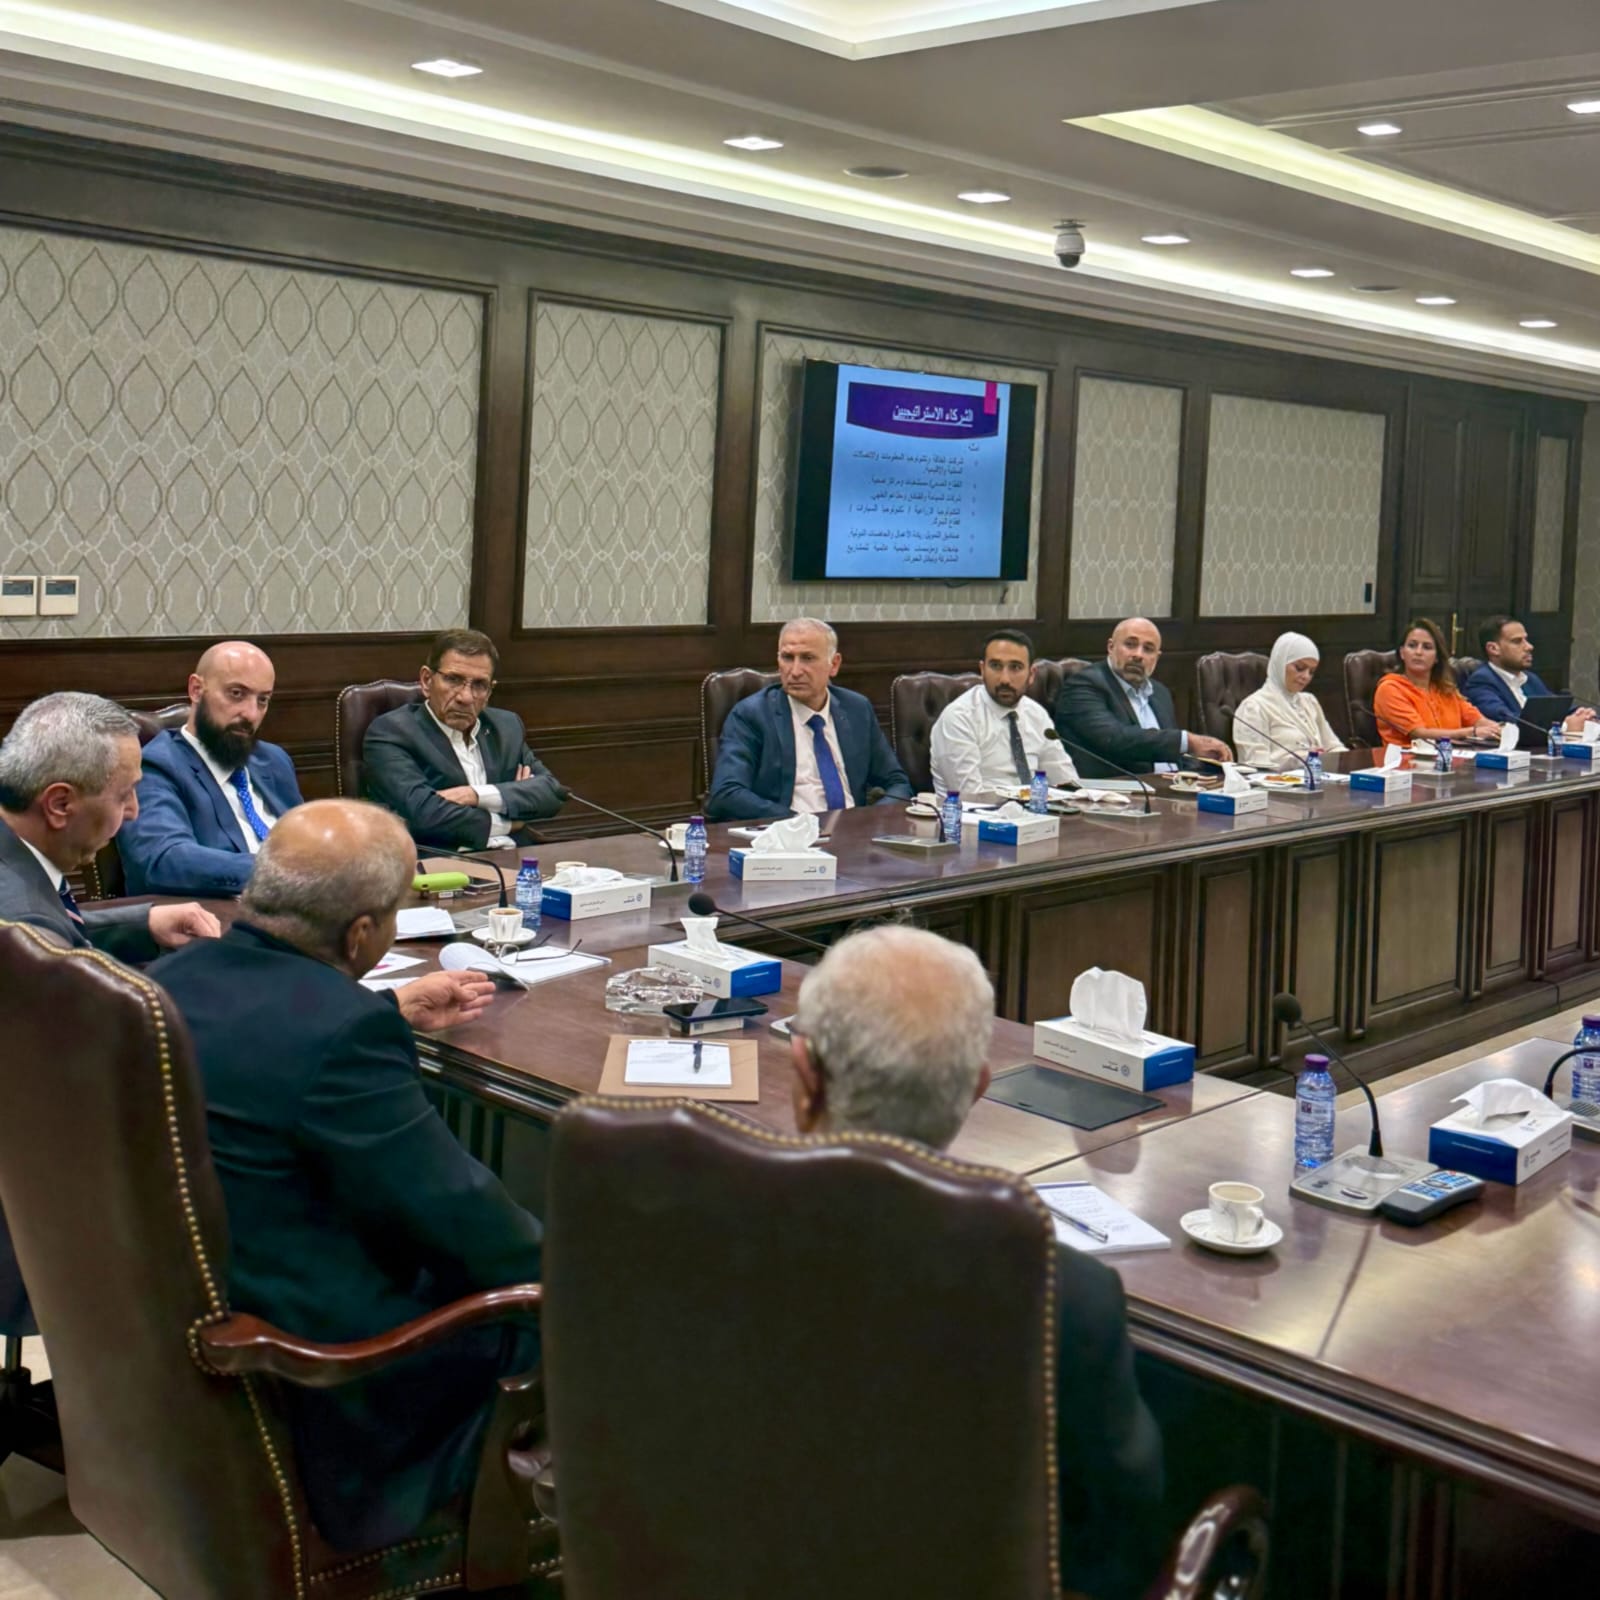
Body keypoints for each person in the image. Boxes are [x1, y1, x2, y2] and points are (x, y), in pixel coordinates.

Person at [149, 800, 537, 1551]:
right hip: (330, 1376)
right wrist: (589, 1279)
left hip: (202, 1314)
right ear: (361, 934)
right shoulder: (345, 1035)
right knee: (565, 1313)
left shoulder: (170, 978)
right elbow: (465, 1220)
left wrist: (382, 1006)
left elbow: (269, 1033)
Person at [790, 925, 1163, 1600]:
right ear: (976, 1090)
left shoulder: (697, 1237)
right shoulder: (1063, 1293)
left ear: (804, 1075)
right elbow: (1123, 1523)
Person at [0, 691, 219, 1343]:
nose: (134, 813)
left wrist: (142, 920)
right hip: (36, 1227)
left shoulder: (15, 871)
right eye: (125, 795)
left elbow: (50, 925)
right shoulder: (27, 928)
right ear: (59, 803)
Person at [117, 641, 304, 895]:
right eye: (236, 694)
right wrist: (281, 872)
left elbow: (306, 840)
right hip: (221, 911)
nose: (251, 714)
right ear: (196, 690)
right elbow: (164, 859)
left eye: (262, 700)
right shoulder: (156, 766)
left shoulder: (272, 760)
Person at [364, 629, 568, 852]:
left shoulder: (506, 727)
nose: (466, 697)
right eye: (454, 680)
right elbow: (424, 814)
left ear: (489, 691)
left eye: (479, 685)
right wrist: (511, 820)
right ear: (427, 681)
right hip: (445, 863)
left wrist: (474, 795)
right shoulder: (392, 732)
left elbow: (551, 793)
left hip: (516, 855)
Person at [705, 617, 912, 822]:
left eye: (807, 658)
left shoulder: (856, 709)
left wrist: (868, 820)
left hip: (853, 831)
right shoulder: (752, 714)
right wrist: (799, 823)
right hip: (788, 831)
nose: (795, 671)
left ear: (834, 664)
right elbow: (726, 793)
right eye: (787, 658)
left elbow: (897, 783)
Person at [1054, 617, 1232, 779]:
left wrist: (1206, 768)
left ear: (1157, 657)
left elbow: (1171, 754)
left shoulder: (1160, 692)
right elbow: (1115, 739)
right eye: (1130, 645)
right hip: (1116, 793)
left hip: (1168, 787)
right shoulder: (1084, 685)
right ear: (1111, 647)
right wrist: (1188, 741)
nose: (1138, 655)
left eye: (1148, 649)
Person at [929, 628, 1078, 798]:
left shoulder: (1036, 714)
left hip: (1035, 810)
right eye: (995, 666)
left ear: (1031, 674)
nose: (1004, 679)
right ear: (982, 670)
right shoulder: (959, 718)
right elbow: (970, 797)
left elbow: (1066, 782)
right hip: (978, 812)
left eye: (1015, 667)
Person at [1373, 619, 1499, 749]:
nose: (1418, 652)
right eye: (1412, 645)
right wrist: (1472, 732)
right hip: (1408, 758)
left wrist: (1497, 729)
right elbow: (1420, 734)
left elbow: (1476, 719)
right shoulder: (1390, 688)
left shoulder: (1445, 689)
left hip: (1452, 756)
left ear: (1437, 657)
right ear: (1402, 653)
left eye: (1427, 647)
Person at [1461, 616, 1596, 736]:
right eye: (1517, 641)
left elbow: (1555, 708)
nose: (1529, 647)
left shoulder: (1530, 679)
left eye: (1526, 640)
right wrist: (1564, 727)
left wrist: (1585, 715)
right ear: (1493, 648)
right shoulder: (1481, 681)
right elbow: (1508, 722)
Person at [1230, 632, 1347, 769]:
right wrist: (1301, 761)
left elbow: (1333, 746)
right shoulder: (1254, 707)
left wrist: (1351, 761)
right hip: (1279, 781)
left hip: (1320, 776)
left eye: (1311, 672)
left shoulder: (1309, 702)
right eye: (1299, 668)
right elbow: (1256, 765)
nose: (1306, 676)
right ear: (1280, 663)